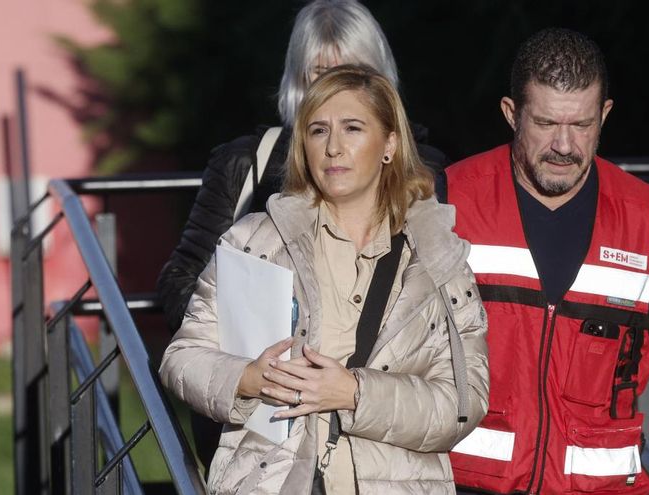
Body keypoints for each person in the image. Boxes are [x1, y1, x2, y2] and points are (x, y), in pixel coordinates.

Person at [159, 65, 489, 494]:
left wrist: (354, 393)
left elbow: (463, 404)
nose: (333, 147)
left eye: (352, 128)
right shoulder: (255, 240)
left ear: (389, 144)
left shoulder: (438, 257)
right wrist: (247, 379)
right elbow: (182, 356)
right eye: (318, 131)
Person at [440, 29, 649, 494]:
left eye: (582, 126)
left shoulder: (645, 215)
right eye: (545, 124)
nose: (564, 145)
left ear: (604, 115)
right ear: (511, 114)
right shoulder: (451, 200)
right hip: (465, 484)